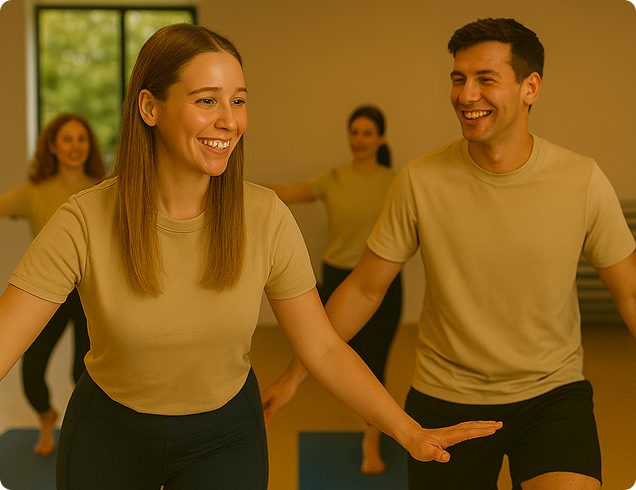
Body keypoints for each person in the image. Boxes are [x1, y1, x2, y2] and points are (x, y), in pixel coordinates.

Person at [0, 24, 502, 489]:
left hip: (224, 436)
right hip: (108, 433)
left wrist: (408, 432)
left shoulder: (264, 216)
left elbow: (322, 347)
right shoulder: (83, 220)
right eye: (206, 100)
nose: (229, 120)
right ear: (149, 107)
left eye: (238, 100)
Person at [261, 17, 636, 490]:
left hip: (552, 394)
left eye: (485, 79)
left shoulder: (581, 179)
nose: (465, 94)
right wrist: (295, 376)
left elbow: (630, 291)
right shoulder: (421, 180)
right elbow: (364, 288)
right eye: (458, 79)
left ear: (530, 88)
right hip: (446, 397)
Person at [264, 105, 401, 474]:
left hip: (383, 284)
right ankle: (366, 426)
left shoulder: (396, 181)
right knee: (335, 360)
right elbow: (287, 193)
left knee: (374, 363)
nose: (359, 139)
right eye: (354, 132)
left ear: (381, 139)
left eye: (367, 133)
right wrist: (231, 182)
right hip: (338, 279)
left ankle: (369, 442)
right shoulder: (334, 178)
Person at [0, 112, 105, 455]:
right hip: (49, 295)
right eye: (66, 139)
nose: (75, 146)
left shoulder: (106, 189)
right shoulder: (33, 192)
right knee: (31, 374)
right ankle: (47, 418)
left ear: (89, 146)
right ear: (52, 146)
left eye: (81, 139)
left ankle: (85, 434)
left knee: (84, 374)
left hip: (94, 294)